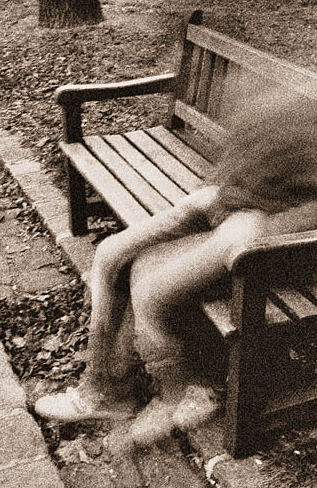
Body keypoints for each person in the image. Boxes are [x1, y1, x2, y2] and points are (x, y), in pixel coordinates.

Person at [35, 97, 317, 447]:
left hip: (285, 237)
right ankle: (105, 390)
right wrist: (225, 194)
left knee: (150, 282)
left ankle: (180, 391)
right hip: (250, 202)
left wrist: (260, 217)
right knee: (112, 254)